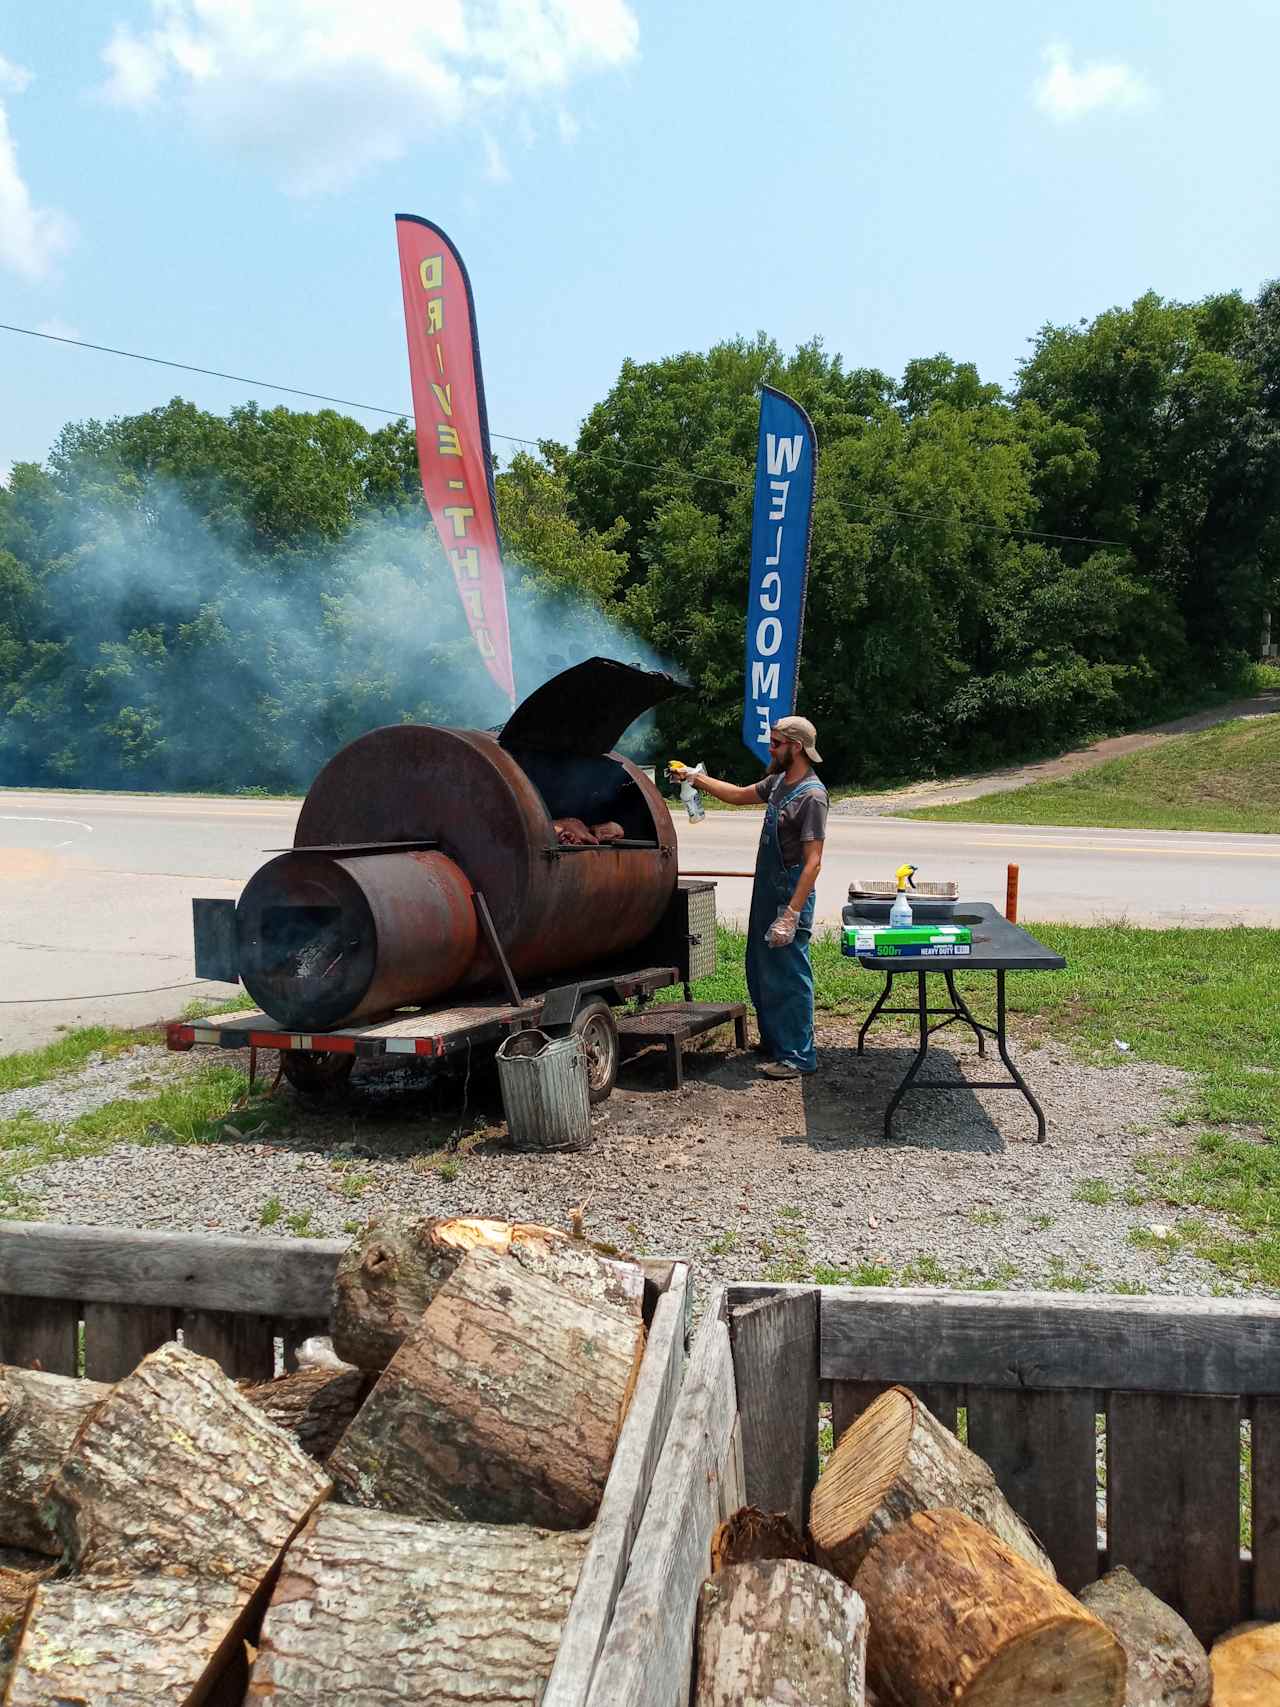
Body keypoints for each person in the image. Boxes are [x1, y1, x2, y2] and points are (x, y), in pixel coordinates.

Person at [676, 716, 827, 1077]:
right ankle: (777, 1042)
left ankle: (799, 1056)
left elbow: (813, 862)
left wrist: (791, 914)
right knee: (762, 970)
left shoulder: (812, 796)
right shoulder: (778, 782)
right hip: (767, 891)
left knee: (790, 973)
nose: (770, 749)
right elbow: (739, 795)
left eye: (776, 744)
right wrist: (695, 778)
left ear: (797, 748)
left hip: (789, 894)